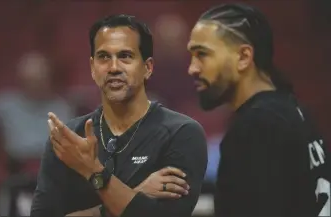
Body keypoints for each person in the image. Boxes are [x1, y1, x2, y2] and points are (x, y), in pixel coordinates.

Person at [30, 14, 208, 217]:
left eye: (125, 56)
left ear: (147, 68)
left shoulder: (181, 133)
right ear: (92, 68)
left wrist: (93, 171)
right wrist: (138, 193)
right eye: (104, 57)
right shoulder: (68, 138)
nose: (114, 68)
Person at [186, 3, 330, 217]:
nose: (192, 68)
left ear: (244, 57)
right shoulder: (295, 110)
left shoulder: (255, 128)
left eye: (202, 54)